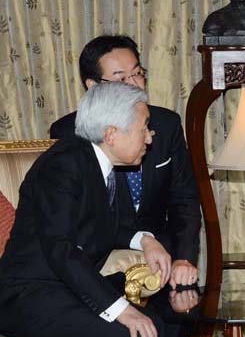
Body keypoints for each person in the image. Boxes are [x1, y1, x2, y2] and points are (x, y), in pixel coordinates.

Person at [0, 82, 179, 337]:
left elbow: (105, 226)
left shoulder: (98, 163)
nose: (150, 136)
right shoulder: (62, 166)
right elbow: (61, 248)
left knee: (161, 327)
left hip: (62, 290)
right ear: (111, 134)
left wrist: (146, 240)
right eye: (144, 127)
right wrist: (123, 311)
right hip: (27, 296)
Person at [50, 35, 201, 290]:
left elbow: (183, 199)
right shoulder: (71, 133)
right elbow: (83, 218)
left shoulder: (165, 125)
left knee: (182, 317)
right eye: (121, 79)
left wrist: (184, 258)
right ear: (93, 86)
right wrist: (142, 241)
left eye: (138, 74)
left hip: (163, 255)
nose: (135, 86)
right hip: (100, 258)